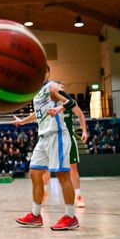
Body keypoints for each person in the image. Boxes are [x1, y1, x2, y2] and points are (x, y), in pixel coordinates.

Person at [14, 78, 80, 230]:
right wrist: (23, 121)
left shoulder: (51, 87)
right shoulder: (37, 94)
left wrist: (59, 109)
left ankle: (70, 217)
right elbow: (38, 114)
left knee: (63, 175)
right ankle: (35, 215)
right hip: (43, 137)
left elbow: (71, 102)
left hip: (57, 135)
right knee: (34, 173)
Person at [42, 84, 88, 207]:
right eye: (58, 88)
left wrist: (84, 131)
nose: (60, 90)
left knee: (73, 169)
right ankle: (43, 193)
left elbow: (81, 115)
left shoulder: (69, 104)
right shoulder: (48, 105)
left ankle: (78, 196)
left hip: (68, 139)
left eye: (62, 88)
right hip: (52, 140)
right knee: (45, 169)